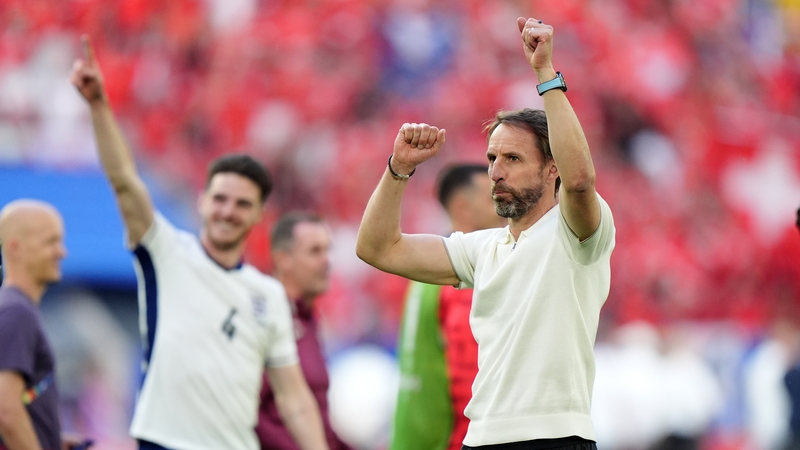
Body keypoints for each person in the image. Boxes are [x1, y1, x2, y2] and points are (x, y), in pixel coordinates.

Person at [356, 17, 616, 450]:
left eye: (512, 158)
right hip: (481, 438)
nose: (495, 171)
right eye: (492, 157)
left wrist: (546, 76)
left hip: (553, 438)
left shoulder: (575, 235)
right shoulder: (483, 248)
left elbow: (579, 181)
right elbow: (378, 248)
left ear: (551, 167)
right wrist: (398, 169)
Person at [70, 36, 329, 450]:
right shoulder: (167, 253)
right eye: (220, 199)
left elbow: (292, 395)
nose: (228, 211)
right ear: (202, 201)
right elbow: (124, 182)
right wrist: (100, 106)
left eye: (242, 204)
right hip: (164, 441)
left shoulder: (268, 294)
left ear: (259, 214)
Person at [390, 164, 505, 450]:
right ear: (462, 207)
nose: (503, 206)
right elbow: (471, 375)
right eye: (492, 198)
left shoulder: (427, 277)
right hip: (455, 439)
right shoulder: (463, 280)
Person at [256, 212, 352, 450]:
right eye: (315, 251)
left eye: (328, 250)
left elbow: (318, 418)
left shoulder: (307, 319)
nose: (327, 261)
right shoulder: (262, 318)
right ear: (283, 258)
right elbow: (250, 414)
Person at [0, 200, 90, 450]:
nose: (62, 252)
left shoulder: (13, 309)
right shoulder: (16, 312)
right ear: (15, 248)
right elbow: (6, 411)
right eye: (50, 242)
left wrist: (49, 440)